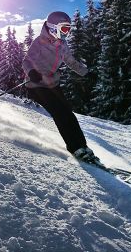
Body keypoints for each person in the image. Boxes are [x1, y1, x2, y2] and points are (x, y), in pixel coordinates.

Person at [22, 11, 99, 163]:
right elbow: (26, 61)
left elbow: (70, 61)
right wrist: (31, 72)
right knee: (59, 112)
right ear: (52, 27)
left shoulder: (62, 44)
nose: (66, 33)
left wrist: (86, 72)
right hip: (36, 85)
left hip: (52, 83)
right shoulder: (39, 42)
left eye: (68, 29)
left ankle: (83, 146)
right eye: (64, 29)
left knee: (68, 113)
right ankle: (74, 148)